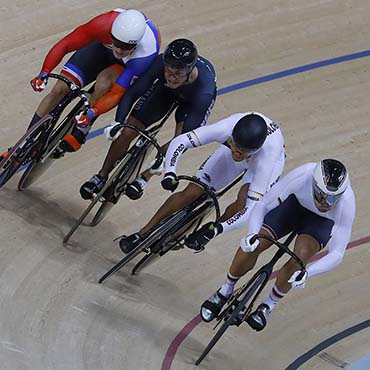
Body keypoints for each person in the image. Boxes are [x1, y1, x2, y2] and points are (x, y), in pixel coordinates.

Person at [200, 159, 356, 331]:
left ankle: (268, 305)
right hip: (294, 207)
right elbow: (262, 204)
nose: (328, 203)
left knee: (299, 259)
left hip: (320, 223)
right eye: (324, 197)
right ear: (315, 186)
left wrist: (307, 272)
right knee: (257, 243)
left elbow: (337, 253)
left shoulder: (347, 203)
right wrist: (252, 234)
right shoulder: (302, 175)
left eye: (334, 199)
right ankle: (225, 290)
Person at [0, 8, 160, 161]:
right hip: (100, 49)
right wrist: (45, 72)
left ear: (136, 44)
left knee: (104, 83)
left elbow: (117, 92)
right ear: (111, 32)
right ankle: (23, 144)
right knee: (59, 89)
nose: (118, 49)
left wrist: (93, 112)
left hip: (125, 66)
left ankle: (84, 124)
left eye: (125, 46)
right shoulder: (103, 24)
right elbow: (66, 44)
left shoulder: (144, 55)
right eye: (116, 42)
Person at [118, 112, 286, 254]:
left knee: (243, 202)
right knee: (192, 191)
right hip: (246, 148)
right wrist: (170, 173)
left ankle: (212, 227)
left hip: (265, 164)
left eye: (241, 151)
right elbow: (180, 141)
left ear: (254, 150)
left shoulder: (267, 158)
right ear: (232, 137)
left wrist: (218, 230)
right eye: (234, 145)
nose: (235, 151)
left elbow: (252, 211)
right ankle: (143, 232)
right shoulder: (226, 129)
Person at [80, 38, 217, 200]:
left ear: (189, 71)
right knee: (127, 131)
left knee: (179, 140)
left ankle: (145, 177)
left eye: (178, 74)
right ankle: (101, 175)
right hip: (164, 92)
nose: (172, 78)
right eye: (169, 72)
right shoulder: (160, 62)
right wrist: (118, 123)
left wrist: (164, 160)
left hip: (191, 102)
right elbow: (132, 93)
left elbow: (187, 139)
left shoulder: (204, 91)